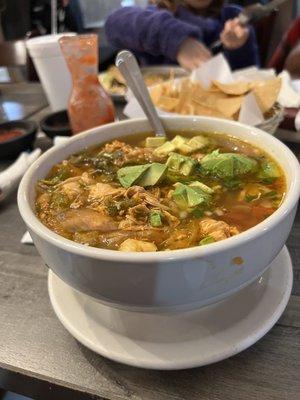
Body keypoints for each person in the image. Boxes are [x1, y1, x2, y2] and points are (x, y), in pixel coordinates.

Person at [105, 0, 259, 70]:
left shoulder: (236, 18)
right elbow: (114, 23)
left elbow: (251, 77)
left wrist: (238, 49)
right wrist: (176, 40)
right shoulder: (158, 14)